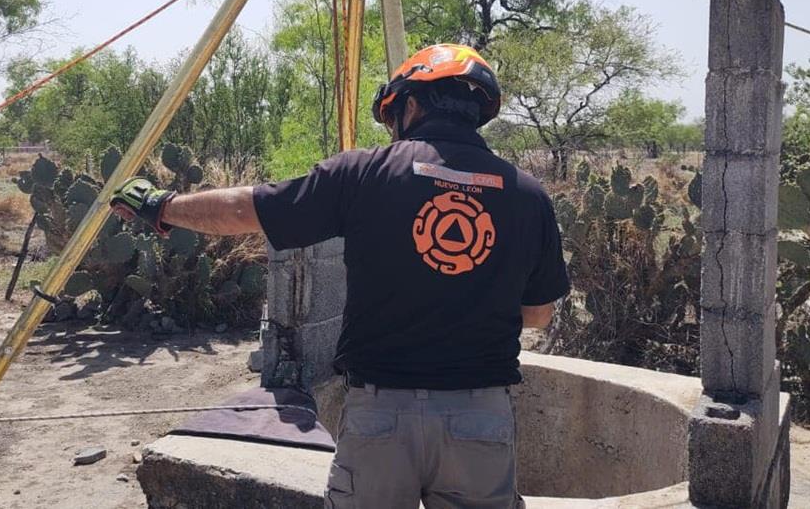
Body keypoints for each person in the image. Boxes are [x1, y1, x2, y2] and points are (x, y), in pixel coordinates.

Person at [111, 43, 570, 509]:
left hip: (381, 415)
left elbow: (245, 209)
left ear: (411, 104)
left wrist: (159, 206)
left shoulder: (363, 172)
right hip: (481, 419)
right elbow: (537, 315)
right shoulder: (528, 195)